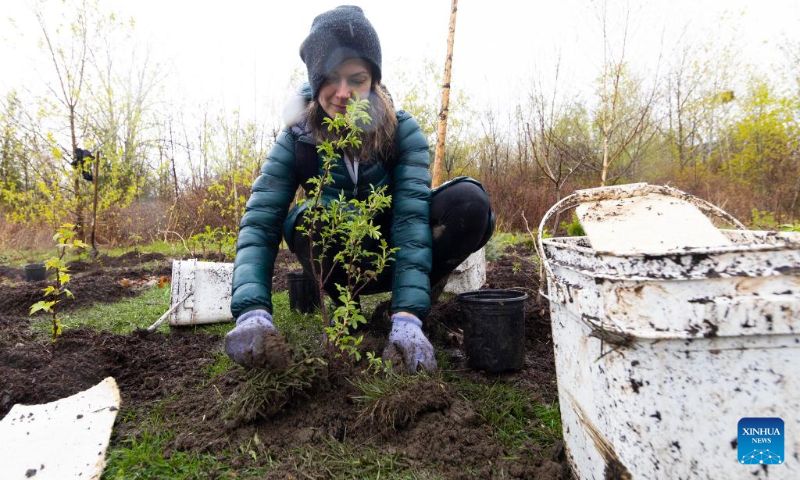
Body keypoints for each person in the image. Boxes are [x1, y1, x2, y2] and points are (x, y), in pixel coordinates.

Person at [225, 5, 494, 373]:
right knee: (307, 219)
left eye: (357, 78)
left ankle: (411, 303)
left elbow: (412, 221)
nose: (343, 93)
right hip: (338, 266)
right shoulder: (297, 139)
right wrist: (251, 310)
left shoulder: (401, 132)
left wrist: (408, 315)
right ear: (315, 78)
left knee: (469, 203)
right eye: (331, 78)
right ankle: (342, 312)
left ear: (373, 80)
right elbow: (260, 222)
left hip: (391, 254)